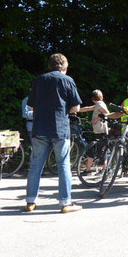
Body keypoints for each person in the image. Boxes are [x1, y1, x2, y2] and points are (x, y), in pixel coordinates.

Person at [24, 53, 82, 214]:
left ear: (50, 66)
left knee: (35, 166)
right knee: (63, 166)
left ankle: (30, 202)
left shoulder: (39, 80)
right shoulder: (67, 80)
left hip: (40, 128)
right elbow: (76, 107)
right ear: (64, 66)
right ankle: (65, 203)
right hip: (60, 129)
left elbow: (32, 106)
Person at [78, 90, 109, 174]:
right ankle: (88, 169)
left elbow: (106, 113)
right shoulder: (98, 104)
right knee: (91, 149)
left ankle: (104, 169)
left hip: (101, 131)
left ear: (92, 98)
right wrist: (76, 110)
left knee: (101, 151)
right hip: (97, 131)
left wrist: (96, 119)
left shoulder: (99, 104)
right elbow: (88, 108)